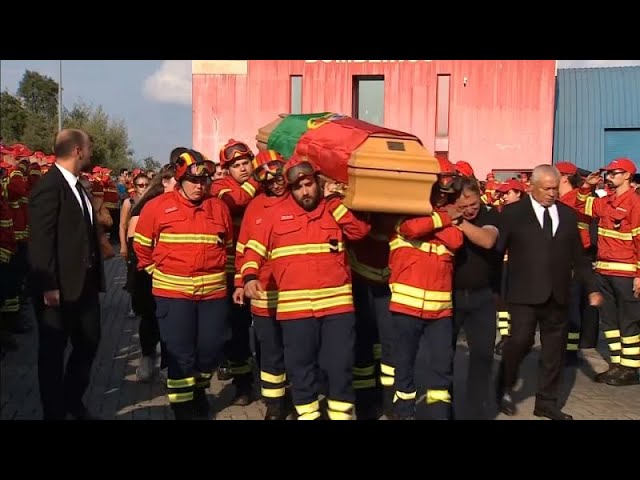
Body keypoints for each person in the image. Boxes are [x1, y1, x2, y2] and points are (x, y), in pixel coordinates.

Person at [241, 157, 371, 420]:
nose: (305, 191)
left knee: (339, 369)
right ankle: (307, 415)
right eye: (299, 187)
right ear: (290, 188)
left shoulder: (333, 209)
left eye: (309, 184)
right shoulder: (274, 214)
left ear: (317, 183)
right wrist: (249, 276)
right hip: (295, 311)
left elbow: (359, 232)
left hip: (337, 309)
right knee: (301, 369)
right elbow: (253, 249)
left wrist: (335, 203)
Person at [495, 164, 602, 420]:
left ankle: (547, 403)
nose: (552, 193)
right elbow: (496, 253)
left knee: (554, 352)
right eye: (546, 188)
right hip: (523, 294)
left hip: (558, 294)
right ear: (531, 186)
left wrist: (592, 288)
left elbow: (579, 255)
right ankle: (503, 387)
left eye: (555, 188)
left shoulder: (566, 215)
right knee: (519, 342)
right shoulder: (512, 214)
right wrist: (493, 289)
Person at [133, 150, 233, 420]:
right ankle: (183, 407)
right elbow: (141, 246)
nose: (200, 186)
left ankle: (199, 391)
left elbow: (228, 246)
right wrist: (155, 270)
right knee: (180, 353)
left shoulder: (218, 208)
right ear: (179, 180)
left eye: (204, 181)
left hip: (212, 293)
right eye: (193, 181)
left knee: (210, 350)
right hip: (173, 294)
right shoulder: (157, 207)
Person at [28, 129, 105, 420]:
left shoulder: (77, 186)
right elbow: (40, 240)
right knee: (52, 354)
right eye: (88, 146)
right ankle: (54, 412)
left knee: (90, 341)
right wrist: (48, 285)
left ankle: (72, 398)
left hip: (83, 285)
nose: (91, 151)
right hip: (57, 288)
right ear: (77, 151)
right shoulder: (50, 186)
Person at [571, 158, 640, 386]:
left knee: (628, 321)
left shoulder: (635, 203)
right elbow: (579, 205)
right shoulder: (606, 202)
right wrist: (586, 186)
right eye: (607, 173)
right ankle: (617, 364)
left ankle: (631, 368)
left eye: (614, 173)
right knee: (609, 322)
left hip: (627, 273)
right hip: (604, 270)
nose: (609, 177)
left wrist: (639, 275)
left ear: (627, 175)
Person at [451, 177, 502, 420]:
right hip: (449, 297)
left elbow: (487, 239)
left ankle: (475, 411)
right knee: (443, 357)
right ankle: (444, 408)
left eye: (474, 204)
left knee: (482, 355)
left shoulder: (489, 215)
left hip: (482, 297)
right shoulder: (442, 216)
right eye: (463, 206)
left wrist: (458, 219)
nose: (471, 210)